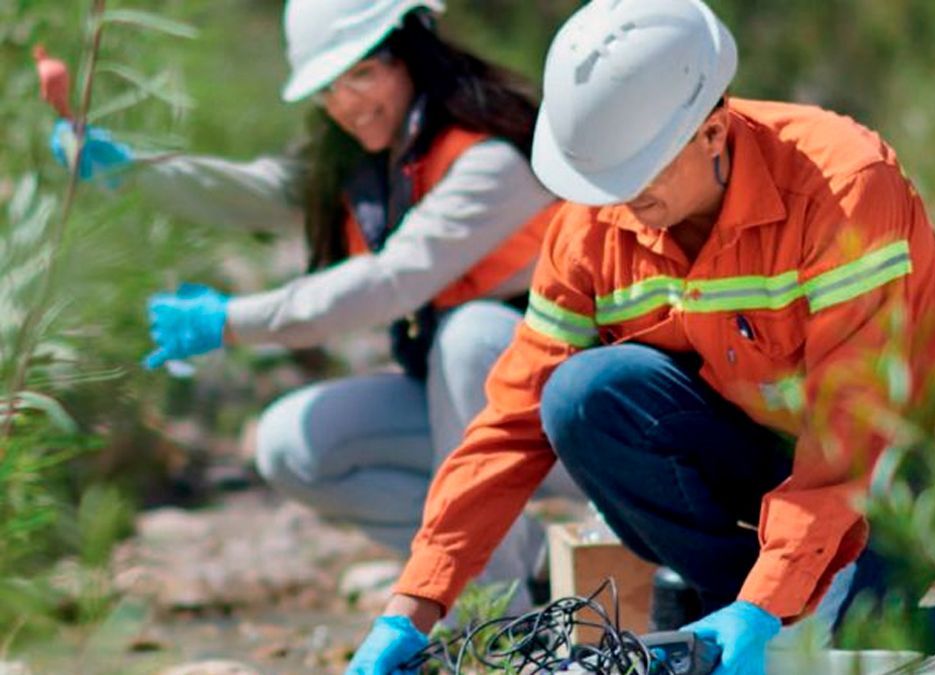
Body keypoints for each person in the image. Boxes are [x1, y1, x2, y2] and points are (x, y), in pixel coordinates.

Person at [346, 0, 935, 672]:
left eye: (641, 169)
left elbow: (851, 425)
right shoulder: (594, 224)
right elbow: (511, 423)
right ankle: (737, 609)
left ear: (713, 130)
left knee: (822, 652)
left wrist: (771, 602)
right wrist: (415, 601)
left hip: (914, 450)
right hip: (774, 446)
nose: (620, 197)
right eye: (605, 176)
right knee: (583, 394)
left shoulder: (843, 188)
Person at [48, 0, 580, 612]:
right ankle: (529, 567)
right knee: (293, 446)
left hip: (563, 424)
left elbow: (390, 281)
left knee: (470, 336)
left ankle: (504, 615)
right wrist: (127, 169)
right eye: (329, 88)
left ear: (413, 52)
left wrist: (231, 321)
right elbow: (252, 190)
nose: (347, 105)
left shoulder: (490, 161)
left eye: (362, 75)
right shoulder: (371, 161)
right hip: (467, 411)